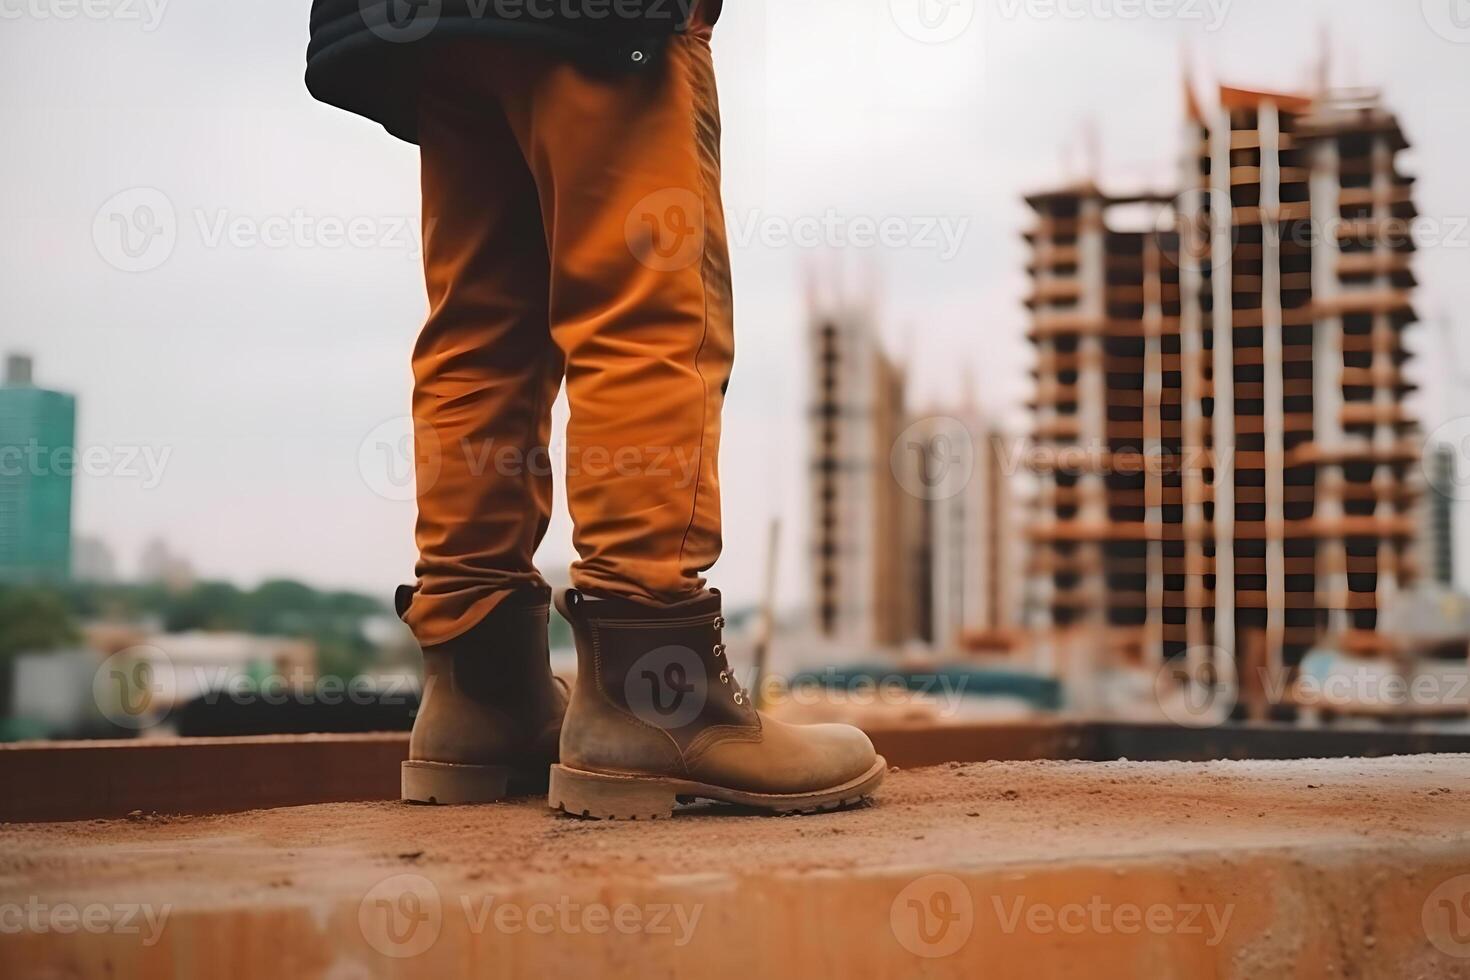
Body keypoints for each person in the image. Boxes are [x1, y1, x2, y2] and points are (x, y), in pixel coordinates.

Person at [305, 0, 885, 818]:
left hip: (431, 23)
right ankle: (653, 703)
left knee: (481, 322)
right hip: (600, 17)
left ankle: (480, 701)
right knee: (642, 305)